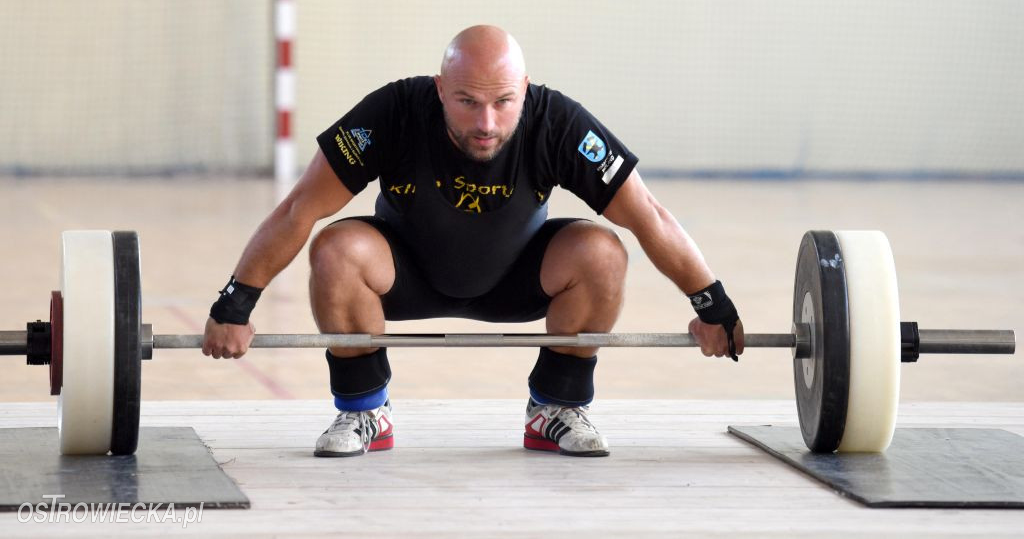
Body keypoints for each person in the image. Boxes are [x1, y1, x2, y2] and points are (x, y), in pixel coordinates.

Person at [201, 25, 744, 458]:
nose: (486, 123)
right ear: (440, 89)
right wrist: (236, 301)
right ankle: (364, 410)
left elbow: (648, 215)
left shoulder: (557, 122)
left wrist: (711, 303)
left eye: (503, 102)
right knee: (336, 247)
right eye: (466, 102)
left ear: (525, 92)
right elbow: (300, 208)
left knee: (602, 252)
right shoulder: (393, 112)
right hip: (403, 276)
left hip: (517, 280)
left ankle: (554, 409)